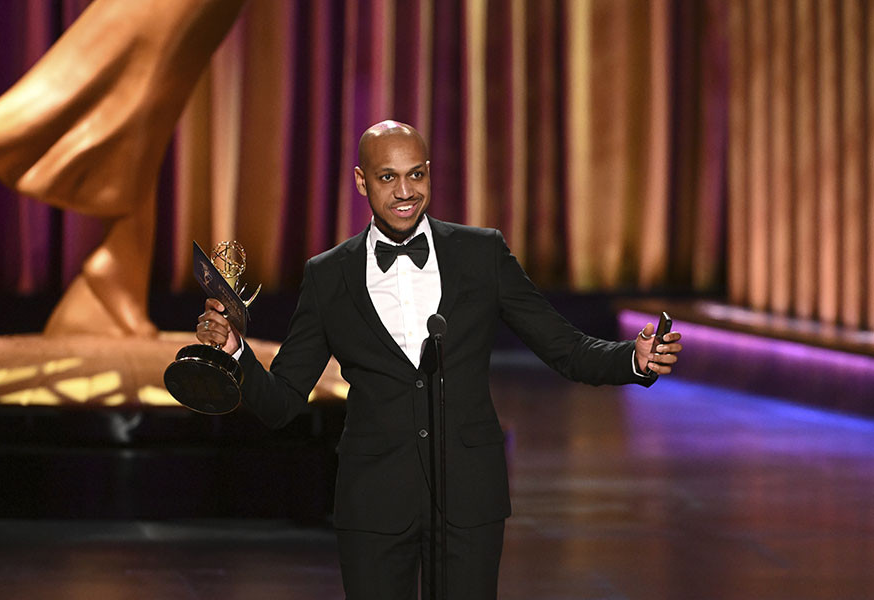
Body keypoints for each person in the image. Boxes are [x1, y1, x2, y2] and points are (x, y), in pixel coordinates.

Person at [195, 120, 683, 599]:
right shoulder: (328, 276)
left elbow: (566, 348)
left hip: (469, 495)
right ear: (362, 181)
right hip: (375, 501)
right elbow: (282, 401)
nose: (406, 190)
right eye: (388, 177)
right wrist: (235, 351)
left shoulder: (481, 253)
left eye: (418, 174)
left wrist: (632, 360)